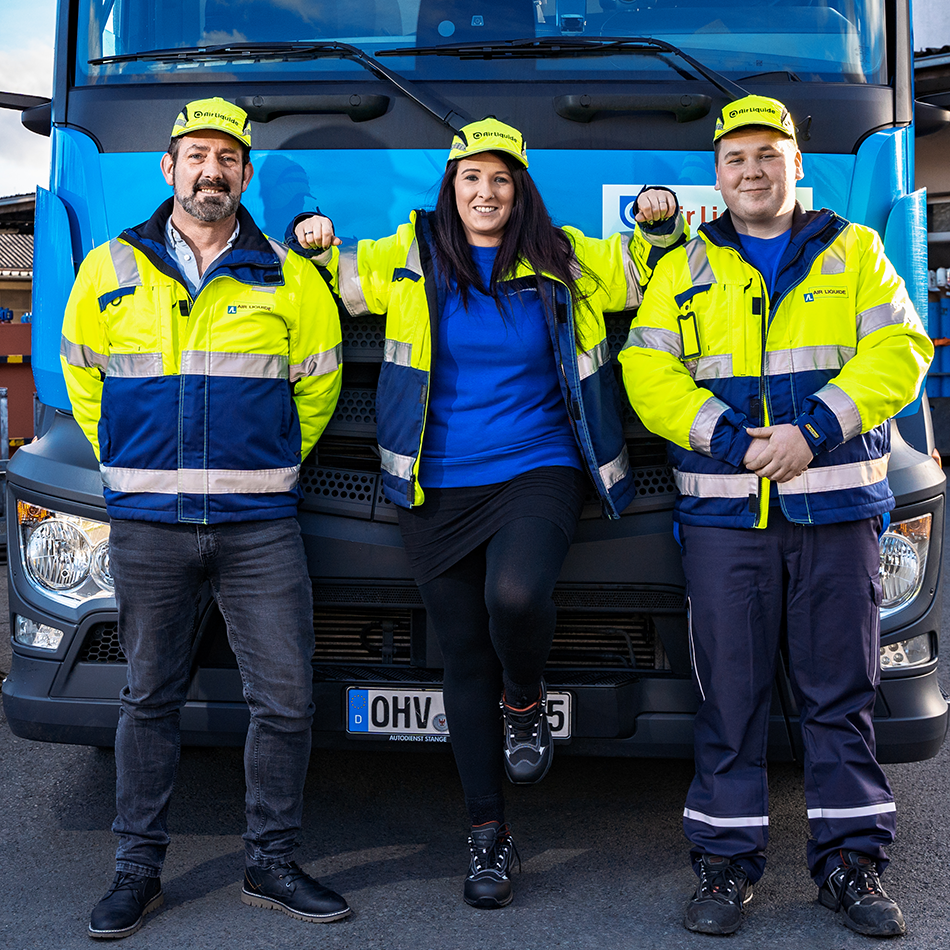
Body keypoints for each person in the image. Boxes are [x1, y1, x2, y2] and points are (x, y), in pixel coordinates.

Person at [289, 117, 685, 908]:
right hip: (434, 485)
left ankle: (526, 703)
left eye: (501, 179)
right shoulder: (407, 253)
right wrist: (315, 242)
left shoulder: (564, 255)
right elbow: (337, 281)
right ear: (451, 185)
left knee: (515, 597)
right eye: (472, 178)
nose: (485, 193)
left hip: (537, 467)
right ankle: (487, 839)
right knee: (461, 656)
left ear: (519, 189)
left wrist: (661, 219)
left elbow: (640, 275)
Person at [619, 95, 933, 938]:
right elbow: (647, 373)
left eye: (767, 155)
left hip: (834, 510)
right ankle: (724, 868)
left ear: (798, 164)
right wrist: (729, 439)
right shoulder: (684, 266)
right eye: (735, 159)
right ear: (716, 176)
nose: (751, 171)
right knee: (730, 696)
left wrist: (813, 429)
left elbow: (901, 350)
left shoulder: (856, 250)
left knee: (841, 694)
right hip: (727, 522)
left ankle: (851, 869)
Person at [60, 97, 349, 939]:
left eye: (226, 157)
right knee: (148, 697)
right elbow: (85, 380)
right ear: (170, 169)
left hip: (258, 524)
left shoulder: (289, 277)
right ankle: (135, 870)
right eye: (196, 156)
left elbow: (319, 384)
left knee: (286, 703)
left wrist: (272, 465)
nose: (210, 171)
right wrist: (128, 460)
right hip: (150, 522)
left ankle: (271, 861)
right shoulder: (111, 268)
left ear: (245, 174)